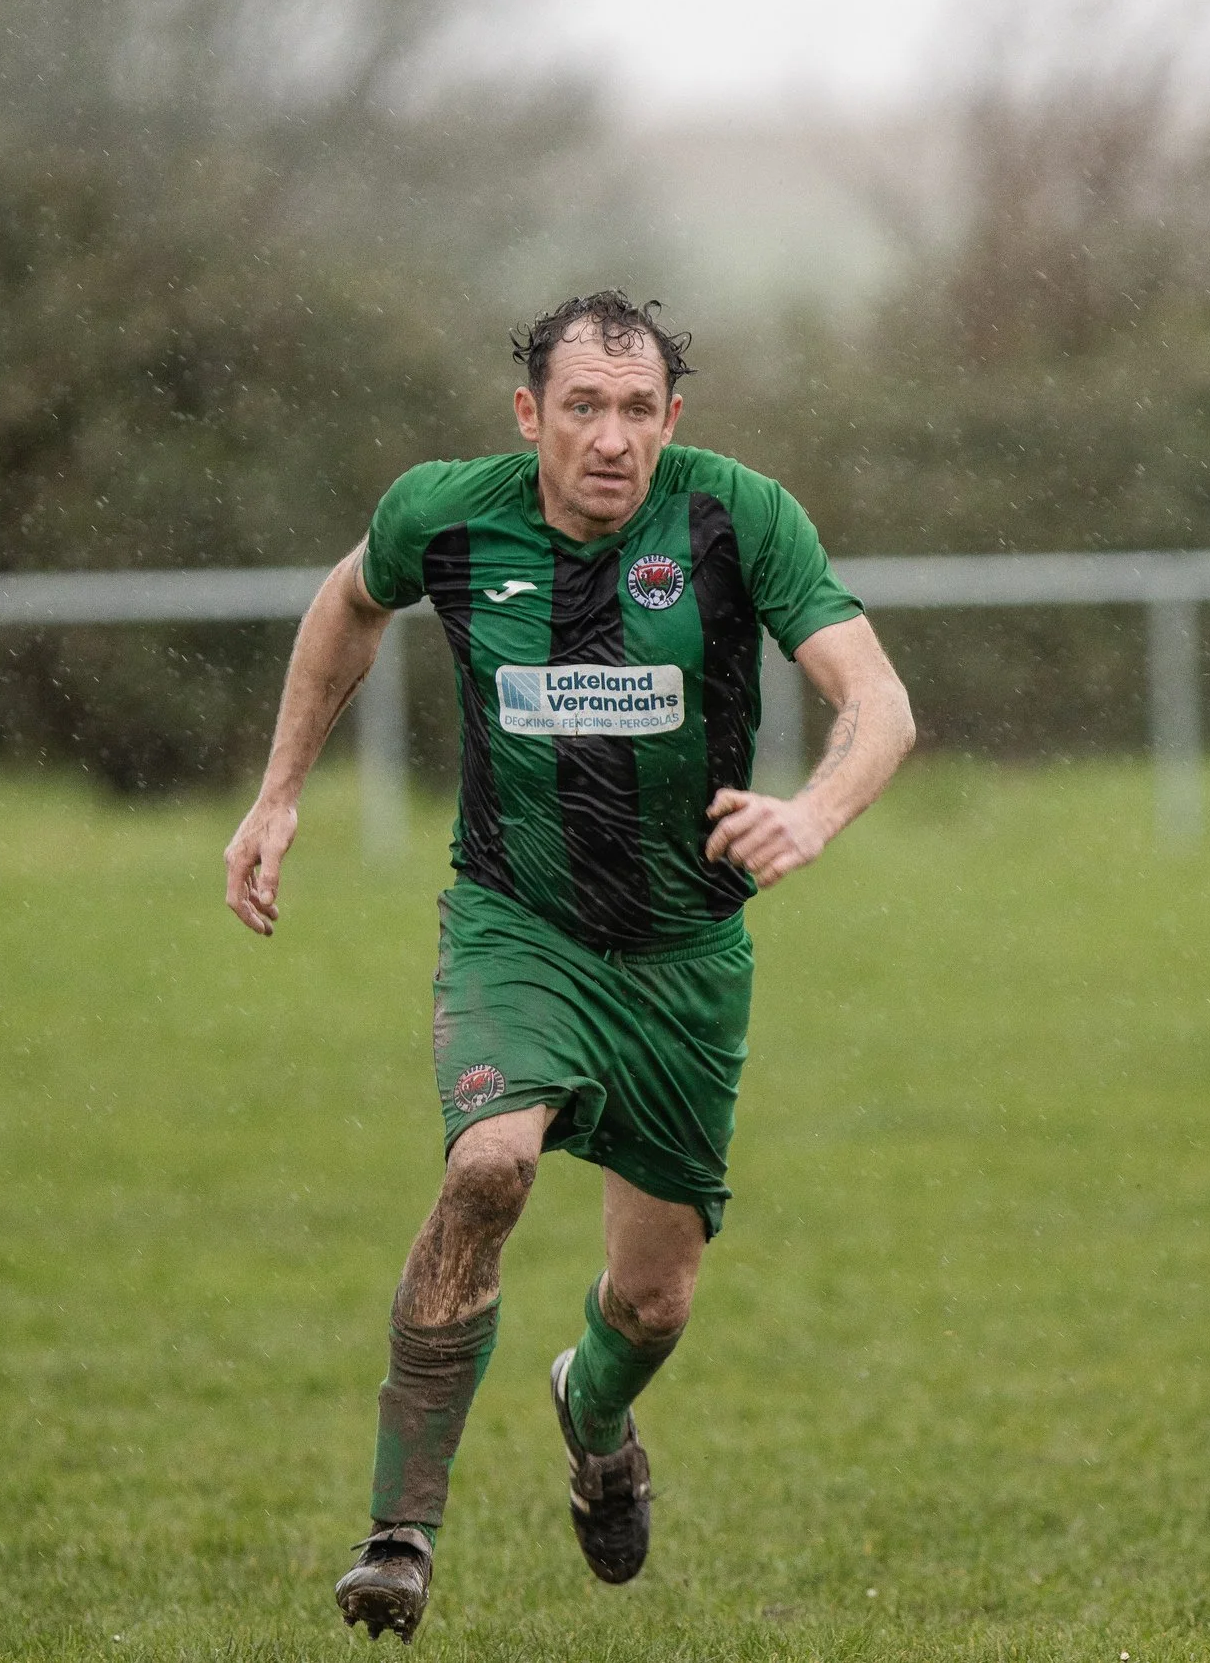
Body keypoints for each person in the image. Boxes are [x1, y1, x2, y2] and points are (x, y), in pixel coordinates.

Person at [222, 291, 915, 1643]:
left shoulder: (735, 519)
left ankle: (591, 1416)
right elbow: (347, 600)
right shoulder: (451, 514)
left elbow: (877, 698)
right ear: (529, 414)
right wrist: (278, 791)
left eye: (638, 409)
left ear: (674, 419)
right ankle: (399, 1529)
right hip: (517, 924)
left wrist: (812, 813)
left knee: (653, 1297)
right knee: (489, 1163)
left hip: (684, 958)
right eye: (582, 407)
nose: (611, 437)